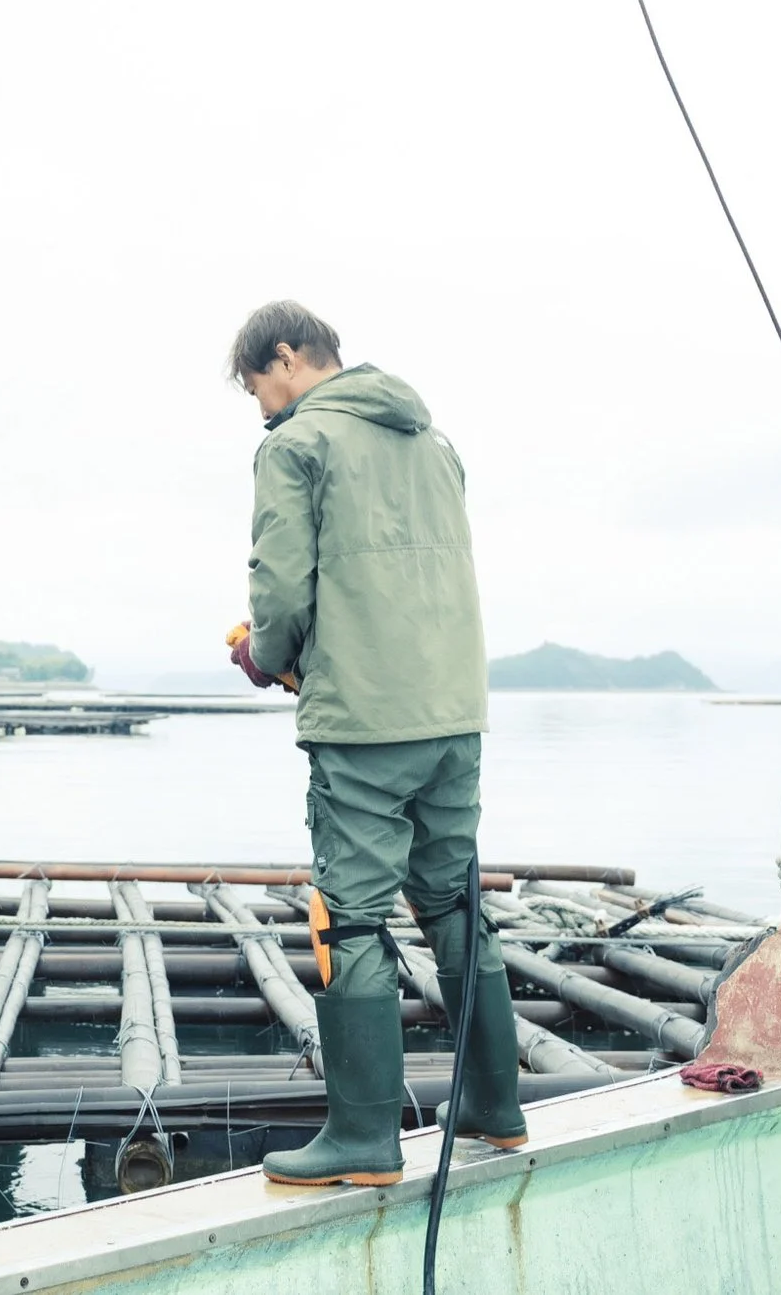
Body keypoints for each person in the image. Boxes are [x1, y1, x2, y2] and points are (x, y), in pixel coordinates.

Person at [226, 299, 527, 1187]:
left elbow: (281, 587)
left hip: (363, 723)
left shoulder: (296, 445)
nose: (261, 407)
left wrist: (263, 655)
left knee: (350, 916)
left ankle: (363, 1137)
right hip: (453, 715)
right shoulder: (435, 446)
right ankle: (495, 1108)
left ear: (285, 357)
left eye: (257, 386)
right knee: (453, 903)